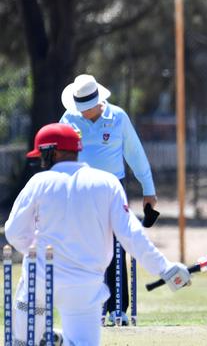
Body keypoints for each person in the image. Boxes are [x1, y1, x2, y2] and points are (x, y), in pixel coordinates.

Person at [4, 123, 191, 346]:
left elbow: (14, 231)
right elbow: (130, 233)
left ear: (51, 152)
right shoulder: (107, 182)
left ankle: (47, 340)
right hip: (85, 285)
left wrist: (36, 252)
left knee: (23, 342)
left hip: (41, 281)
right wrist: (164, 268)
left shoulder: (38, 183)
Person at [59, 74, 156, 326]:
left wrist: (149, 189)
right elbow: (57, 156)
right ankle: (92, 308)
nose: (82, 112)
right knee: (87, 249)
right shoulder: (68, 119)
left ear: (97, 102)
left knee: (116, 247)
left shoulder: (118, 117)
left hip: (114, 189)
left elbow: (135, 154)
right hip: (80, 190)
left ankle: (118, 309)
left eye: (85, 108)